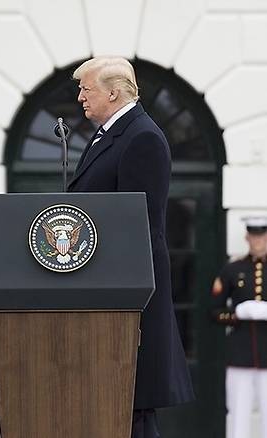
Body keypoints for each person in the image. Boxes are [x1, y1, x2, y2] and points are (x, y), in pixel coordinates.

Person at [68, 56, 194, 438]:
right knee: (119, 409)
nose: (79, 98)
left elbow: (136, 225)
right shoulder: (111, 133)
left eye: (85, 89)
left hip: (127, 296)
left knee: (134, 410)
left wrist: (119, 291)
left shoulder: (142, 137)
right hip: (107, 293)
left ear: (113, 91)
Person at [211, 217, 267, 438]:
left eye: (262, 235)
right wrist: (237, 314)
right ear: (247, 237)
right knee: (238, 417)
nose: (258, 241)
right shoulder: (232, 270)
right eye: (254, 236)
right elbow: (213, 311)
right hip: (240, 356)